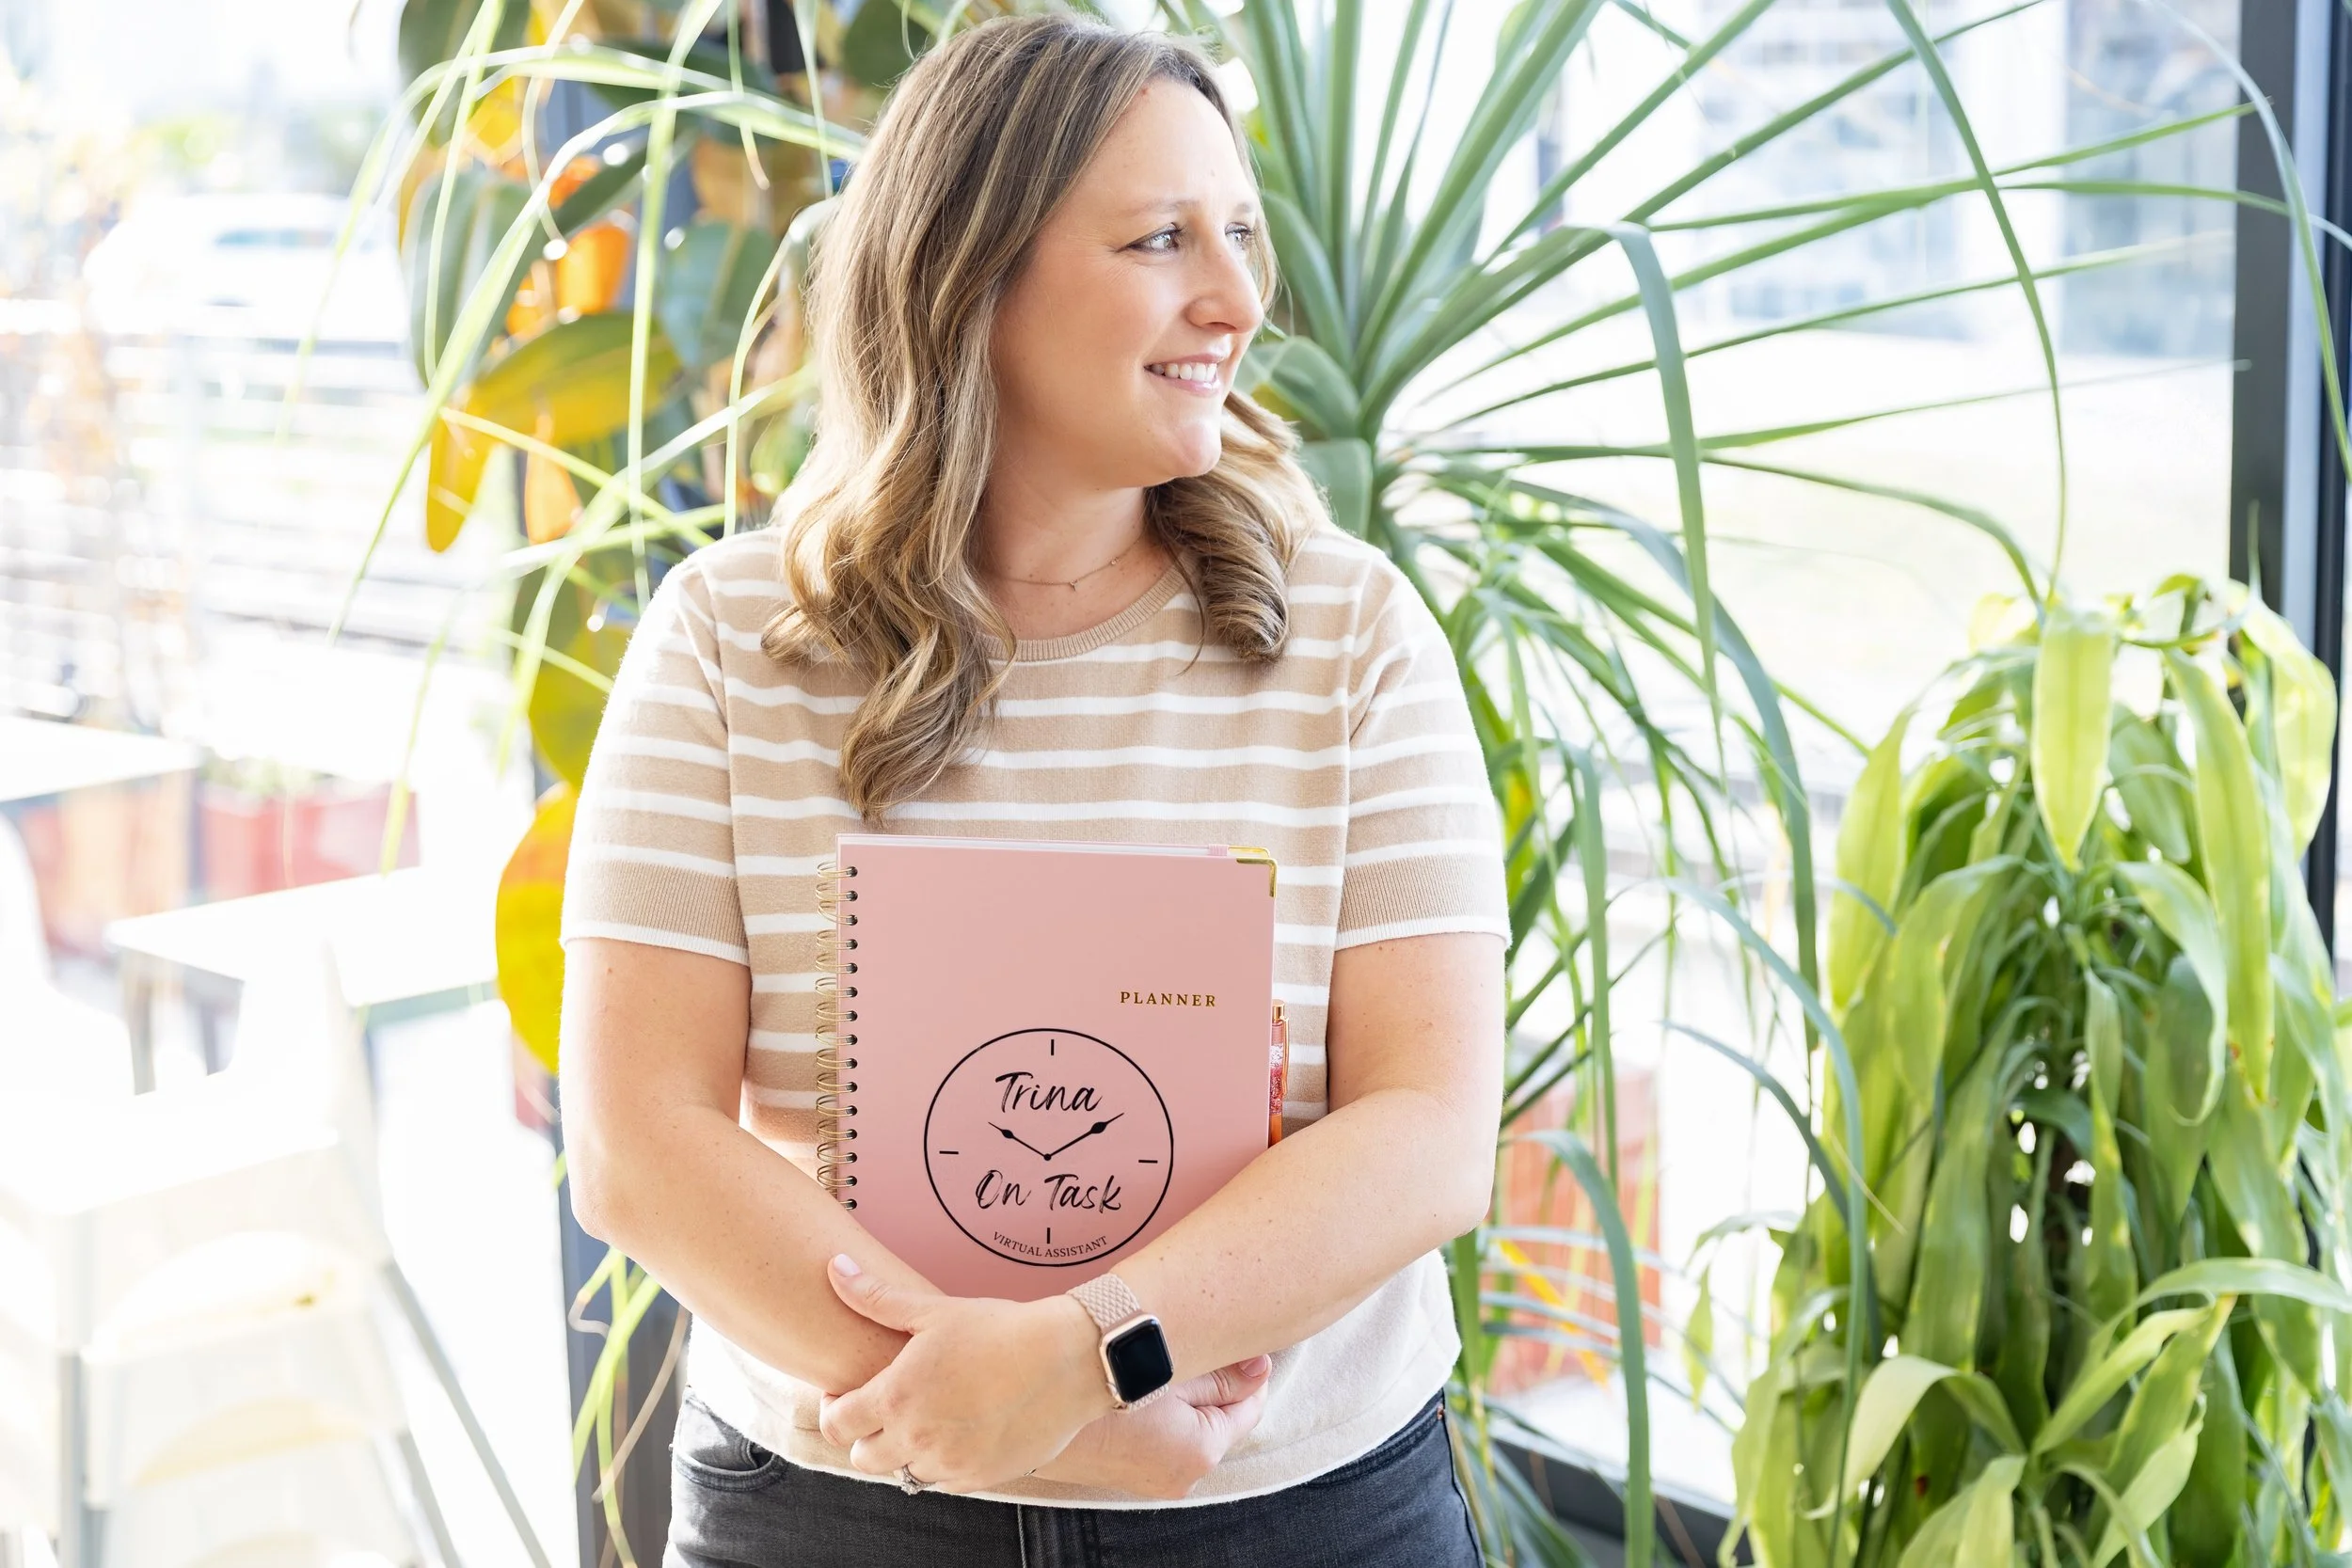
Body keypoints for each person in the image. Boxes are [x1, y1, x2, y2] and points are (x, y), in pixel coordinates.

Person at [557, 14, 1507, 1566]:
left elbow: (1427, 1127)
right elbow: (638, 1137)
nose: (1238, 298)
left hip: (1295, 1518)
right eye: (1161, 239)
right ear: (970, 276)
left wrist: (1084, 1358)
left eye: (1240, 234)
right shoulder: (727, 645)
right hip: (834, 1514)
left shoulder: (1355, 638)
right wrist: (977, 1405)